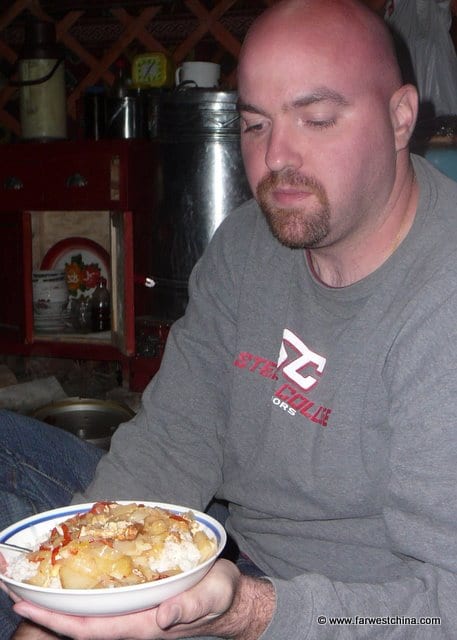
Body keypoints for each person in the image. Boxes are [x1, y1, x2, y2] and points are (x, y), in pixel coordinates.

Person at [2, 0, 457, 636]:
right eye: (254, 125)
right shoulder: (247, 245)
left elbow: (444, 607)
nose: (276, 159)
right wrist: (70, 595)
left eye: (317, 118)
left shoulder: (443, 297)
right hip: (220, 558)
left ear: (401, 116)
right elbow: (173, 440)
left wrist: (245, 611)